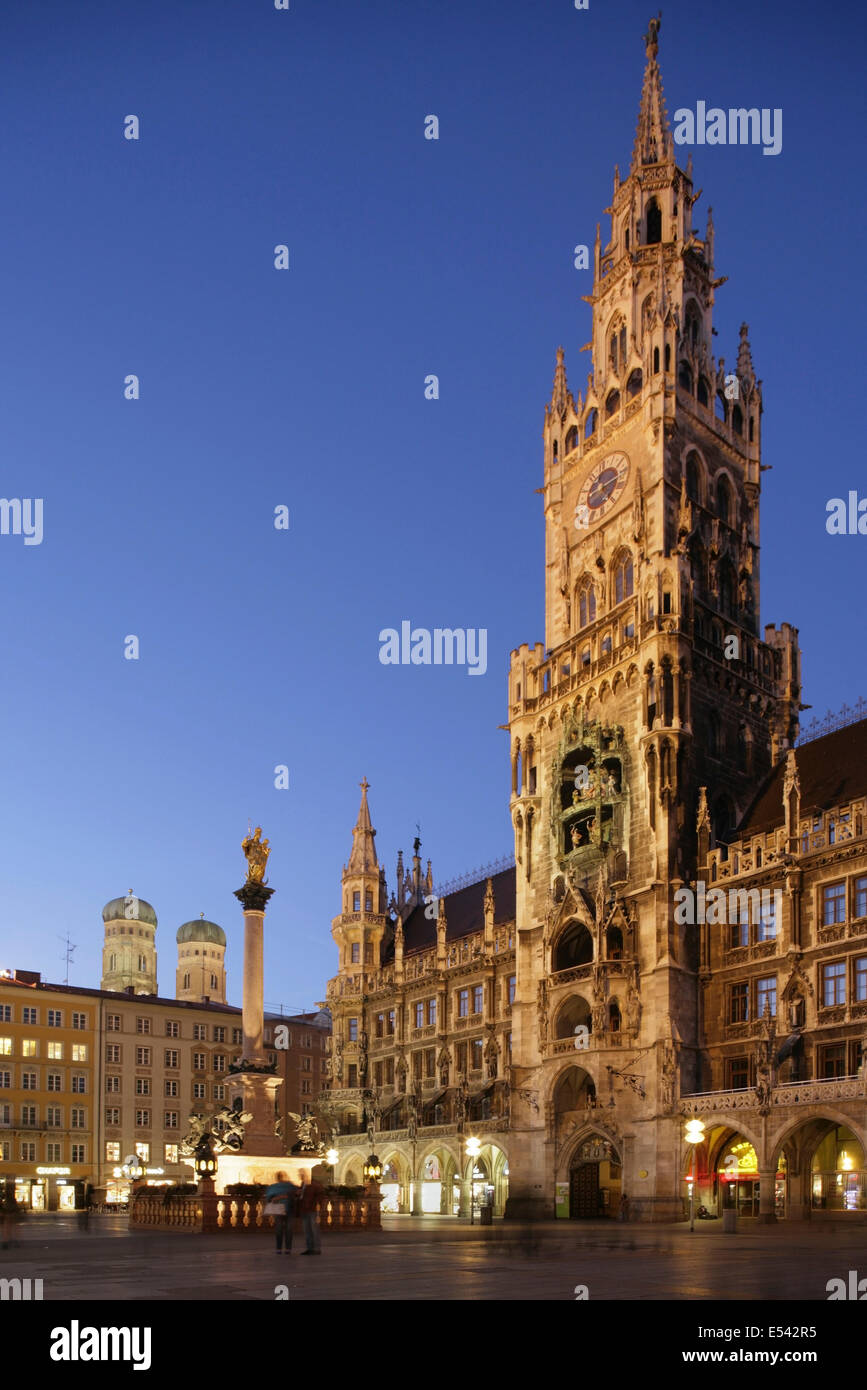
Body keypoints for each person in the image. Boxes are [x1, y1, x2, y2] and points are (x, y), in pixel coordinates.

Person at [264, 1171, 299, 1254]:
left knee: (281, 1229)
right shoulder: (291, 1186)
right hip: (287, 1209)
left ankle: (280, 1248)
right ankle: (287, 1249)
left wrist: (278, 1197)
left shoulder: (273, 1187)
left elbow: (269, 1198)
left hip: (280, 1209)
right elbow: (297, 1194)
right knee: (287, 1230)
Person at [298, 1169, 325, 1255]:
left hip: (312, 1209)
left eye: (302, 1174)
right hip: (304, 1209)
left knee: (314, 1229)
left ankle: (316, 1248)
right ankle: (309, 1248)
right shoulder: (303, 1184)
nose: (300, 1176)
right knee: (307, 1230)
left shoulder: (315, 1184)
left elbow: (320, 1195)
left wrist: (316, 1205)